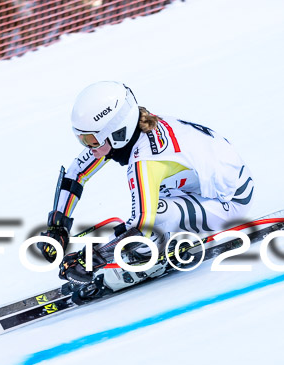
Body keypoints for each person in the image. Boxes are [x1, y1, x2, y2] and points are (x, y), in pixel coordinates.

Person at [37, 81, 254, 291]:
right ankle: (167, 238)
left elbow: (142, 227)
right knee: (148, 206)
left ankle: (146, 260)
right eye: (81, 140)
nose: (88, 148)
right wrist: (58, 226)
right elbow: (75, 174)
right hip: (200, 188)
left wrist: (91, 259)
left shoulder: (146, 160)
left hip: (230, 202)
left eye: (91, 140)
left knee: (153, 217)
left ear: (117, 133)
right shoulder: (132, 131)